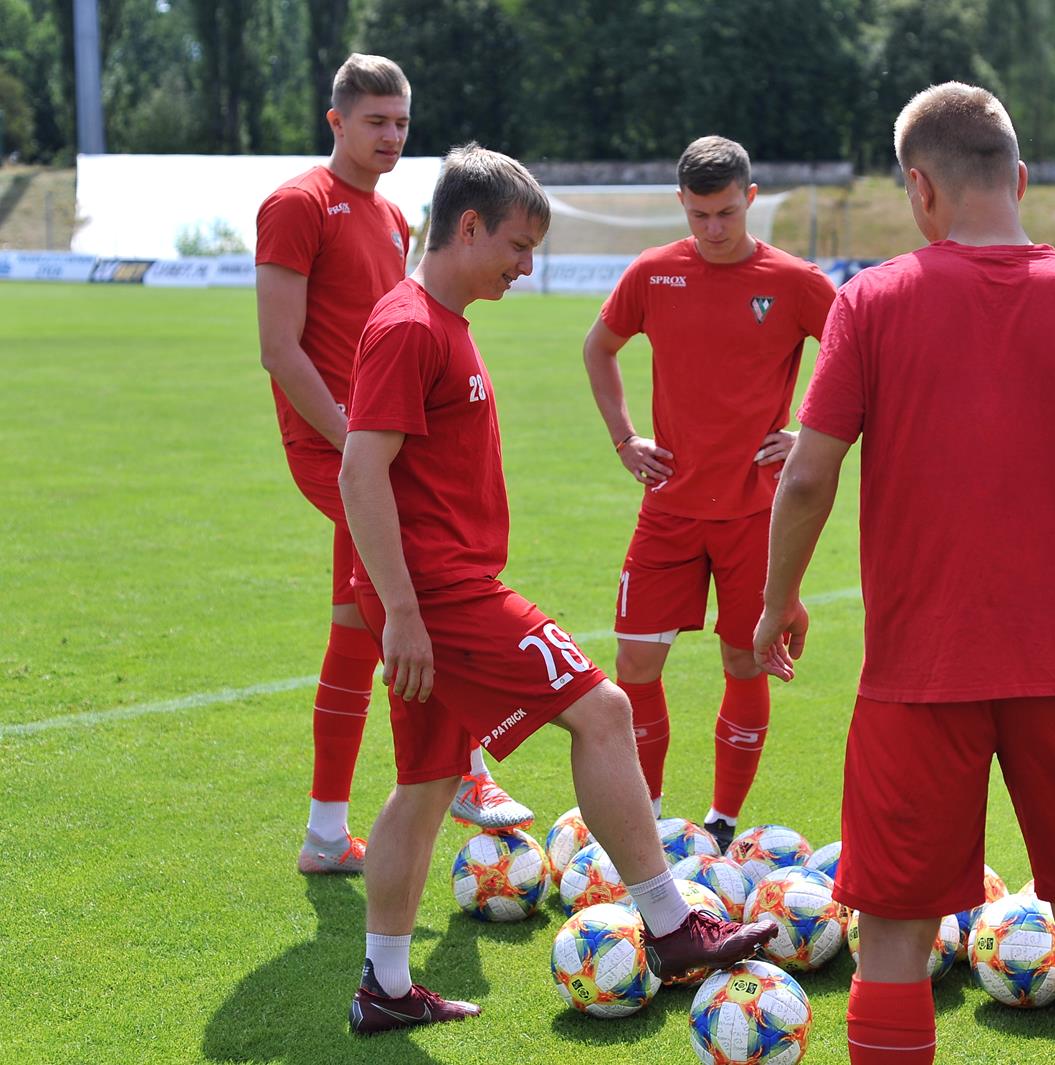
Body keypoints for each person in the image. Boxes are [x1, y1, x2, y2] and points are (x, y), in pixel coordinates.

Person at [754, 83, 1055, 1065]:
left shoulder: (870, 300)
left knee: (894, 933)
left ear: (920, 188)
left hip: (920, 672)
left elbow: (808, 477)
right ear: (1022, 178)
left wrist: (778, 599)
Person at [339, 143, 776, 1034]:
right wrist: (407, 613)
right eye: (517, 246)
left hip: (437, 590)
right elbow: (359, 471)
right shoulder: (411, 326)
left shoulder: (437, 320)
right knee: (605, 709)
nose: (526, 267)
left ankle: (384, 984)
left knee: (426, 783)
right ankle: (673, 924)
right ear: (468, 227)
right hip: (442, 594)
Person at [255, 54, 531, 876]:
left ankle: (326, 834)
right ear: (336, 121)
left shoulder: (392, 216)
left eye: (402, 122)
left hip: (382, 440)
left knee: (352, 629)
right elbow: (279, 348)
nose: (392, 135)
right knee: (425, 585)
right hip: (338, 447)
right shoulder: (298, 204)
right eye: (375, 120)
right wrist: (359, 441)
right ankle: (468, 769)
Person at [581, 136, 836, 851]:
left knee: (744, 661)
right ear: (681, 204)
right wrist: (624, 438)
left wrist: (809, 435)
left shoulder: (795, 281)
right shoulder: (653, 271)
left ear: (750, 198)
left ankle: (721, 824)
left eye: (726, 212)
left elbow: (859, 354)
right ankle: (648, 816)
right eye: (699, 215)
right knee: (634, 665)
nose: (713, 228)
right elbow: (598, 347)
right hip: (668, 508)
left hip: (756, 515)